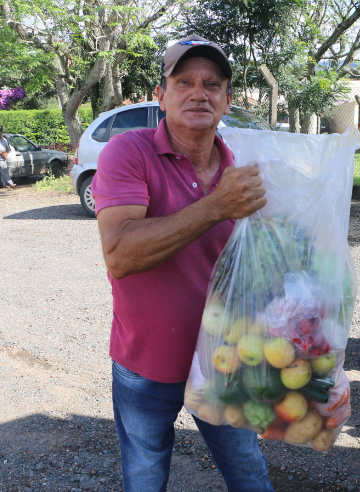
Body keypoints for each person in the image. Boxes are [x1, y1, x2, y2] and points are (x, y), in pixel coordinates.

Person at [91, 35, 274, 491]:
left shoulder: (248, 167)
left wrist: (324, 363)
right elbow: (120, 254)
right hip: (145, 362)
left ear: (228, 100)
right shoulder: (128, 152)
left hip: (227, 359)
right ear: (161, 94)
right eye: (184, 81)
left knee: (249, 473)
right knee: (146, 476)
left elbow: (279, 265)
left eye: (213, 84)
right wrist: (216, 206)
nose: (199, 92)